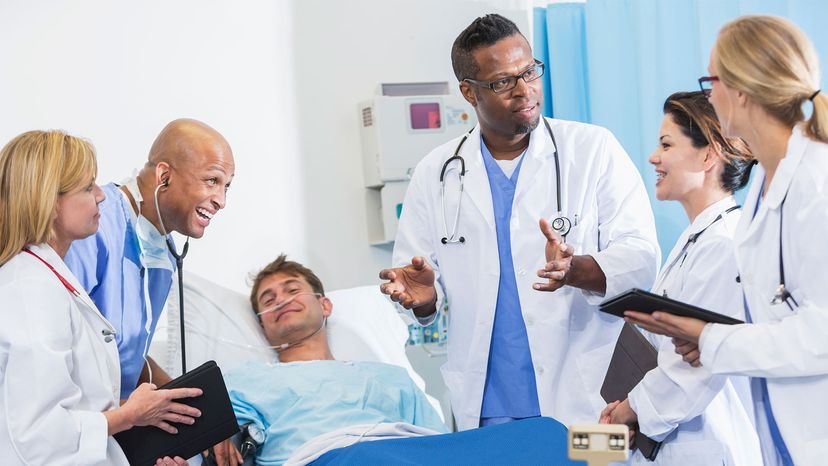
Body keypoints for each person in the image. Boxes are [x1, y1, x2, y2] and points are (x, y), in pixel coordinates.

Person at [379, 14, 659, 430]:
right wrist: (424, 300)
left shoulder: (593, 149)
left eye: (529, 71)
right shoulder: (435, 173)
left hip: (590, 399)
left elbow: (641, 257)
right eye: (503, 82)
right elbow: (416, 282)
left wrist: (575, 269)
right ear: (469, 93)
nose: (525, 90)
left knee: (599, 464)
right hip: (490, 403)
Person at [625, 15, 828, 466]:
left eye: (711, 79)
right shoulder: (769, 191)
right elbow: (773, 324)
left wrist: (712, 341)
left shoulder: (816, 184)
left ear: (740, 89)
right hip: (781, 435)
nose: (709, 94)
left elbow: (821, 333)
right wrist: (709, 340)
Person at [0, 130, 202, 465]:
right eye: (87, 186)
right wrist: (130, 415)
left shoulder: (50, 281)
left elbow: (75, 419)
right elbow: (40, 438)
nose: (102, 196)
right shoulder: (29, 290)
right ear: (49, 201)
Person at [599, 91, 761, 465]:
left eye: (666, 144)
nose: (654, 157)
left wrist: (628, 410)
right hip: (664, 438)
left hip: (705, 442)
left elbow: (693, 368)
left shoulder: (722, 246)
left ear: (708, 155)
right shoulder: (697, 240)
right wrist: (621, 414)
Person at [209, 255, 448, 466]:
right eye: (269, 301)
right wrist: (215, 433)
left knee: (485, 441)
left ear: (325, 305)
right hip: (320, 457)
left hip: (402, 455)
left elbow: (442, 446)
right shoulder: (247, 380)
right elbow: (204, 421)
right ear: (262, 325)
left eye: (292, 290)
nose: (281, 300)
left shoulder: (392, 377)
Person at [65, 118, 235, 398]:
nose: (221, 200)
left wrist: (196, 405)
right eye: (212, 181)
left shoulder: (161, 253)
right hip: (80, 417)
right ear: (164, 176)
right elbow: (59, 345)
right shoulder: (94, 224)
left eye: (226, 186)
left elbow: (129, 357)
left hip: (118, 417)